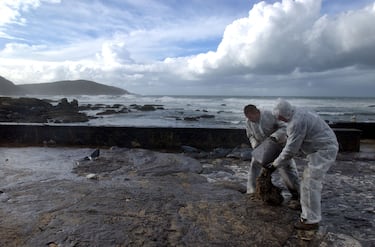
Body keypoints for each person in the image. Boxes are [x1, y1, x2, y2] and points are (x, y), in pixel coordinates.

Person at [270, 99, 339, 231]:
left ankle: (311, 220)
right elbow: (290, 135)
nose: (280, 119)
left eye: (281, 117)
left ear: (286, 113)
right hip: (321, 148)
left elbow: (290, 150)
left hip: (323, 151)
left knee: (310, 183)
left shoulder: (296, 122)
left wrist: (274, 164)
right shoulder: (297, 112)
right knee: (307, 183)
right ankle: (305, 207)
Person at [243, 104, 300, 202]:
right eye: (248, 118)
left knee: (286, 169)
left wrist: (275, 136)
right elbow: (250, 135)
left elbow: (285, 127)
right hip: (262, 147)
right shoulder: (248, 121)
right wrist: (255, 145)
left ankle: (297, 193)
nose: (250, 120)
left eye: (251, 117)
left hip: (279, 145)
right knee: (254, 165)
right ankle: (252, 191)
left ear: (257, 112)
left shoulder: (270, 114)